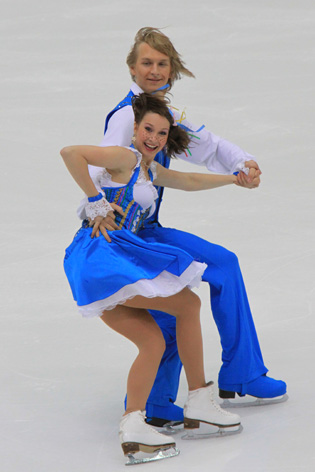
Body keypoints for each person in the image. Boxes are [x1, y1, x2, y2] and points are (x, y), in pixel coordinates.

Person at [78, 27, 287, 426]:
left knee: (219, 266)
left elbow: (205, 146)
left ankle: (221, 379)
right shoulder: (128, 116)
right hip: (124, 236)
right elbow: (95, 163)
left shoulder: (162, 117)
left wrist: (242, 164)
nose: (154, 71)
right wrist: (95, 206)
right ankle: (174, 396)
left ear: (172, 69)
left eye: (162, 63)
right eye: (147, 63)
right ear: (132, 69)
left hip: (148, 227)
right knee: (178, 301)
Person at [61, 93, 242, 463]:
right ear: (135, 128)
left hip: (111, 260)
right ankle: (199, 400)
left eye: (162, 132)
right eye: (148, 129)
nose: (154, 138)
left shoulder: (149, 169)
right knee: (188, 303)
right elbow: (70, 153)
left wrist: (233, 179)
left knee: (153, 342)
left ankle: (134, 427)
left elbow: (189, 180)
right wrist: (95, 200)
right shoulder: (125, 158)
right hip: (103, 256)